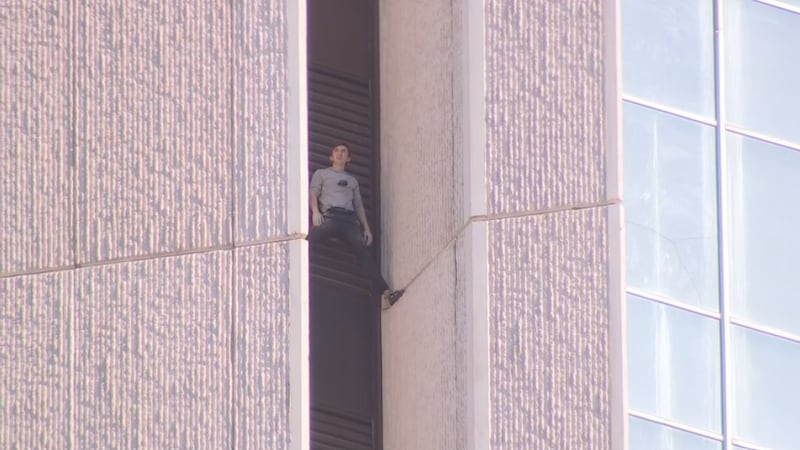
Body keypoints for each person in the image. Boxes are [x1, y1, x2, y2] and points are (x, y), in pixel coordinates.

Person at [308, 143, 404, 308]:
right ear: (331, 156)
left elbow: (358, 205)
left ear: (348, 158)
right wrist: (315, 212)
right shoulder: (322, 174)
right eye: (336, 150)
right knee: (307, 241)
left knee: (364, 256)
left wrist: (366, 228)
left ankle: (387, 293)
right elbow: (313, 193)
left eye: (343, 151)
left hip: (349, 221)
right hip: (330, 217)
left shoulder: (352, 181)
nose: (340, 153)